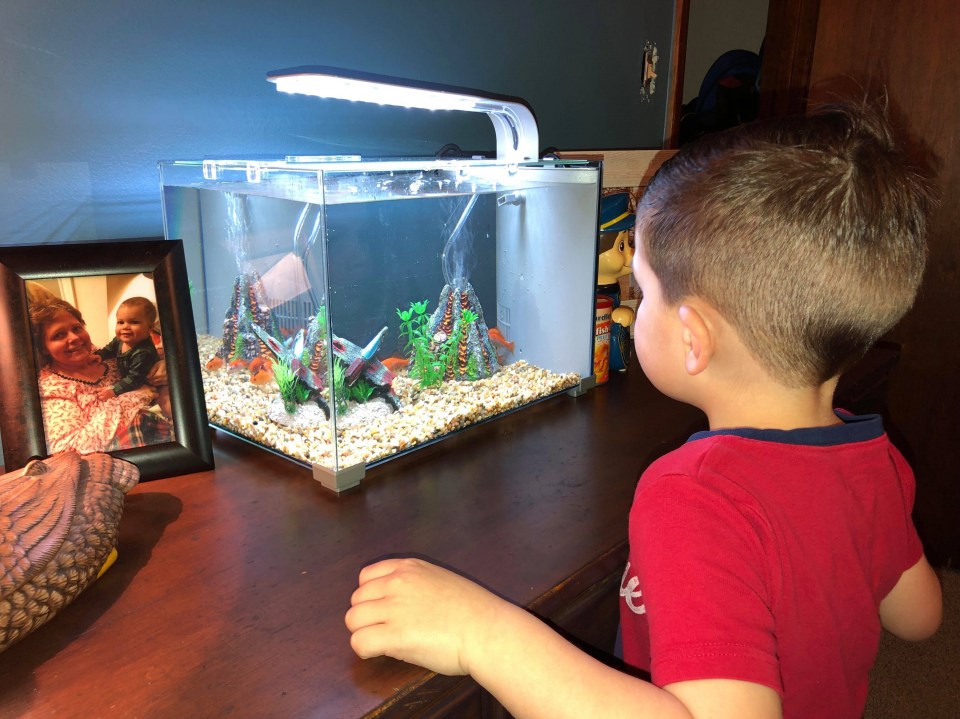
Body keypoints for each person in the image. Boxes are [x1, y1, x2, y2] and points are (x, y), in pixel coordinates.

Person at [345, 101, 944, 719]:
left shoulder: (694, 499)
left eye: (643, 288)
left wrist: (482, 633)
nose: (635, 305)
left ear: (693, 338)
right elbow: (921, 616)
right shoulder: (874, 457)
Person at [28, 285, 174, 454]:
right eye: (59, 335)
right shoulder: (51, 389)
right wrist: (134, 397)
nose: (74, 338)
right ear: (44, 348)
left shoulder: (97, 353)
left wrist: (164, 364)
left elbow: (143, 358)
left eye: (76, 328)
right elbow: (67, 450)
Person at [95, 296, 161, 400]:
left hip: (144, 382)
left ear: (150, 328)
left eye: (134, 322)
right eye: (121, 322)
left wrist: (113, 390)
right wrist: (100, 355)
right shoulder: (119, 339)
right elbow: (109, 349)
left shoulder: (143, 353)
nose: (125, 327)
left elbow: (134, 379)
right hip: (129, 378)